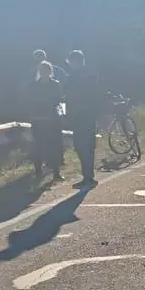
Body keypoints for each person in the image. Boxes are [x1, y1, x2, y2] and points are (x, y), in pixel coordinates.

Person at [62, 49, 102, 189]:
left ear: (78, 61)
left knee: (86, 146)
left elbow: (92, 95)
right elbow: (67, 95)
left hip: (85, 115)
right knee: (81, 146)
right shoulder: (73, 76)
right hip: (78, 116)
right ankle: (87, 175)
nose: (71, 64)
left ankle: (88, 176)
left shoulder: (88, 75)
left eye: (72, 62)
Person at [26, 60, 64, 181]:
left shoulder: (55, 84)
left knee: (54, 145)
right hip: (38, 119)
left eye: (46, 71)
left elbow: (58, 100)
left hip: (52, 119)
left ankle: (56, 172)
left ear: (50, 72)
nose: (44, 73)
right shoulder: (33, 86)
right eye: (42, 71)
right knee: (38, 146)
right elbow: (30, 101)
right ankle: (38, 172)